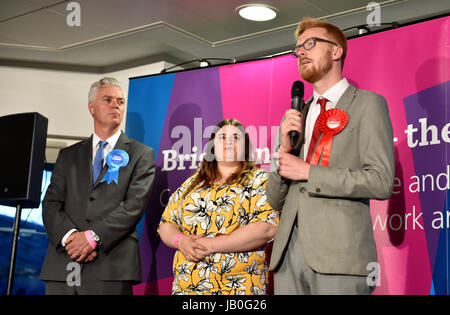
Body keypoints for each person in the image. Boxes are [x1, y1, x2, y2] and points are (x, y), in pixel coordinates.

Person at [267, 17, 395, 294]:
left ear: (336, 51)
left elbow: (381, 181)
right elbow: (274, 200)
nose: (300, 52)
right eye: (297, 48)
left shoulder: (367, 104)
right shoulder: (295, 115)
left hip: (341, 258)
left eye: (309, 44)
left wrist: (309, 172)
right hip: (288, 257)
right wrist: (282, 155)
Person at [40, 77, 155, 295]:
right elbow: (51, 202)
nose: (116, 105)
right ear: (91, 108)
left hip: (111, 266)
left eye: (120, 101)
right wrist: (70, 238)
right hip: (63, 264)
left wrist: (92, 236)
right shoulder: (68, 155)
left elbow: (135, 204)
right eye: (108, 100)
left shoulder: (141, 154)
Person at [158, 119, 279, 295]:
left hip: (239, 288)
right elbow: (166, 224)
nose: (228, 142)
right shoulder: (193, 184)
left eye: (236, 137)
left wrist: (210, 245)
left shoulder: (261, 180)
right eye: (222, 137)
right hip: (187, 288)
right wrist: (181, 241)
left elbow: (266, 229)